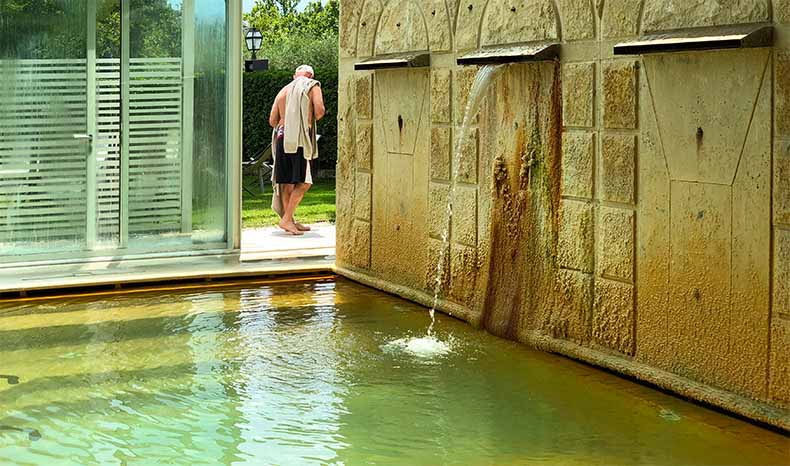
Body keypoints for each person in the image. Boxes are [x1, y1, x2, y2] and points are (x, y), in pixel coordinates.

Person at [269, 64, 325, 235]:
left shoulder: (283, 91)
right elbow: (320, 111)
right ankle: (286, 219)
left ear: (295, 76)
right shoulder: (312, 86)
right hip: (299, 138)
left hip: (282, 137)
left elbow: (272, 120)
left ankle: (290, 221)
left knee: (286, 181)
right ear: (310, 75)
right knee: (305, 181)